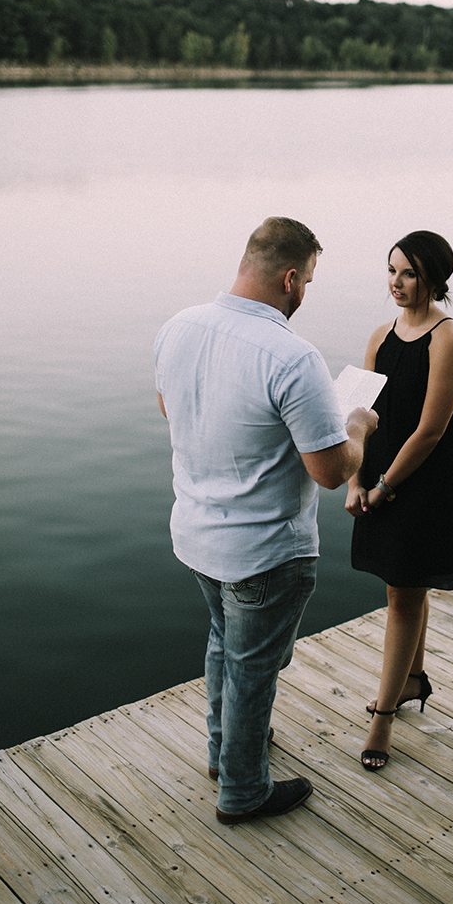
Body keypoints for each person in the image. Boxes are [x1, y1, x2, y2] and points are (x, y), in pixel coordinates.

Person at [155, 217, 378, 823]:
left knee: (225, 643)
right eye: (308, 278)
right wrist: (356, 425)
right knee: (253, 668)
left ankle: (222, 751)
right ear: (289, 278)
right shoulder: (292, 355)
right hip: (264, 549)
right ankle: (243, 791)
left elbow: (170, 409)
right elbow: (332, 472)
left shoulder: (179, 327)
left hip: (197, 535)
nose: (306, 289)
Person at [346, 230, 453, 771]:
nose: (395, 283)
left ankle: (383, 719)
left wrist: (383, 487)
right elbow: (359, 417)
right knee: (407, 587)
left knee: (401, 596)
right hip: (376, 482)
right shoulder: (379, 337)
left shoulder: (448, 340)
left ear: (433, 278)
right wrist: (353, 480)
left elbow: (429, 431)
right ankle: (415, 676)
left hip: (420, 489)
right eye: (391, 270)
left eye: (409, 273)